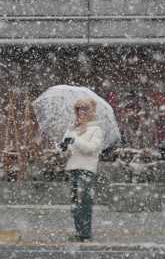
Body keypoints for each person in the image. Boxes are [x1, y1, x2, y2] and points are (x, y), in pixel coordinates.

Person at [59, 98, 104, 242]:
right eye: (78, 109)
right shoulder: (73, 129)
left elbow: (90, 149)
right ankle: (79, 232)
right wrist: (63, 147)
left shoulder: (96, 129)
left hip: (86, 170)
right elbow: (67, 153)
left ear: (91, 111)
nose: (81, 112)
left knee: (84, 202)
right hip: (73, 168)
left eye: (84, 109)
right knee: (74, 204)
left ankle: (85, 234)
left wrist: (75, 139)